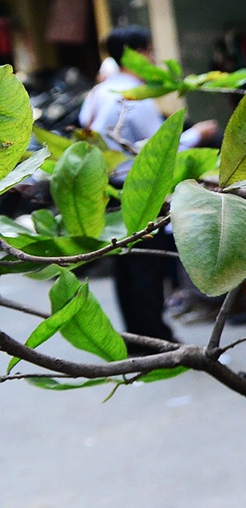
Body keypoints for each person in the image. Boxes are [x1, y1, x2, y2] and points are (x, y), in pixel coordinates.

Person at [78, 27, 180, 341]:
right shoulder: (134, 96)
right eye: (151, 52)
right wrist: (198, 135)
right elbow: (159, 147)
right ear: (136, 55)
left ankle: (136, 335)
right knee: (147, 265)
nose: (154, 59)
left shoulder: (99, 92)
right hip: (135, 189)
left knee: (125, 264)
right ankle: (155, 337)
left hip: (108, 188)